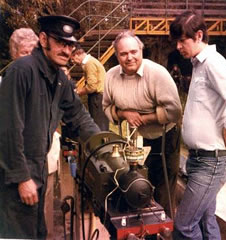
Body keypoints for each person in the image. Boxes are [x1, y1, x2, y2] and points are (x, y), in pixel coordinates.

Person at [0, 15, 100, 239]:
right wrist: (21, 178)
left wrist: (104, 144)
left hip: (39, 168)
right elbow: (8, 130)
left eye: (70, 45)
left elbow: (79, 116)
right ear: (43, 39)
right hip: (16, 175)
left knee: (38, 232)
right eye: (60, 43)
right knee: (17, 234)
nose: (66, 50)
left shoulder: (59, 79)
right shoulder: (21, 71)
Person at [169, 11, 226, 240]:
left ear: (198, 35)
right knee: (206, 222)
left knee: (184, 226)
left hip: (211, 161)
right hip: (199, 159)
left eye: (182, 41)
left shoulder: (213, 63)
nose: (178, 47)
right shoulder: (198, 64)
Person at [102, 30, 182, 218]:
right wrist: (124, 113)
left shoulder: (157, 73)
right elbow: (106, 106)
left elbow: (175, 111)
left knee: (162, 192)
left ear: (141, 50)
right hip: (134, 140)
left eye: (133, 52)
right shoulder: (111, 76)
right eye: (123, 54)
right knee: (136, 187)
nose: (129, 57)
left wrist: (144, 119)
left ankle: (164, 231)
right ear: (117, 55)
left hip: (164, 138)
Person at [71, 46, 109, 131]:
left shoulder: (89, 64)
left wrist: (78, 92)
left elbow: (92, 86)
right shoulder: (91, 61)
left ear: (77, 54)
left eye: (72, 59)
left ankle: (101, 143)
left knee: (99, 126)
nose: (73, 62)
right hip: (99, 97)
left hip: (97, 98)